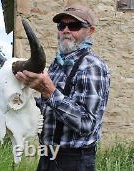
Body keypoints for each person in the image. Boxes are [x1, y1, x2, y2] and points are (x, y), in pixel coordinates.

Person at [16, 3, 110, 171]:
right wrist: (23, 100)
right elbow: (50, 108)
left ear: (90, 31)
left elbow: (86, 124)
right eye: (61, 25)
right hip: (49, 155)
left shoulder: (92, 66)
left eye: (74, 25)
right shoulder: (56, 65)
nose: (66, 30)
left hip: (74, 161)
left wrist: (49, 92)